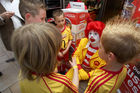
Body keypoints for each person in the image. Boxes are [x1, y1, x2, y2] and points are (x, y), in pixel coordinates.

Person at [11, 23, 79, 93]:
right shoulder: (61, 83)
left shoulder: (22, 73)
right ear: (49, 59)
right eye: (56, 52)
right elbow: (74, 89)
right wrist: (75, 68)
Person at [84, 18, 140, 93]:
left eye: (100, 46)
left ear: (110, 56)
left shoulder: (97, 81)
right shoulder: (124, 69)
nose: (98, 48)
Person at [53, 9, 73, 73]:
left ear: (65, 18)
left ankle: (63, 71)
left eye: (62, 20)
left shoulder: (67, 30)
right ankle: (58, 72)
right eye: (59, 21)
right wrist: (58, 52)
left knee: (65, 61)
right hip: (57, 51)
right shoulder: (54, 31)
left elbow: (70, 40)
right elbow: (53, 42)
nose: (61, 23)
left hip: (65, 51)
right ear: (55, 21)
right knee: (58, 63)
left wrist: (66, 50)